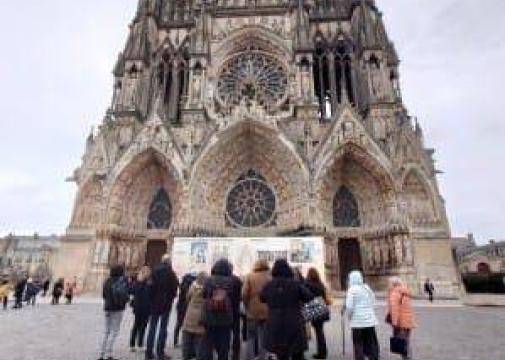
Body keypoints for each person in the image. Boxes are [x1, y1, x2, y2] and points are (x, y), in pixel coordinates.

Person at [260, 259, 314, 360]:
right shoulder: (295, 283)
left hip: (275, 323)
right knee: (297, 353)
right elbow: (309, 297)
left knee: (281, 354)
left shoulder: (269, 285)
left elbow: (262, 298)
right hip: (294, 322)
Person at [201, 259, 240, 360]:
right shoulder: (231, 281)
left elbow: (204, 295)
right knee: (224, 345)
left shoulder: (208, 280)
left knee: (208, 345)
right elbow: (235, 299)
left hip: (209, 317)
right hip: (226, 318)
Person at [146, 254, 179, 360]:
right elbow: (175, 289)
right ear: (169, 262)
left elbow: (149, 287)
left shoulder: (154, 271)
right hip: (166, 304)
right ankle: (160, 352)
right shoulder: (171, 273)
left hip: (155, 304)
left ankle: (149, 353)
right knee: (163, 328)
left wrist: (152, 300)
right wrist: (170, 299)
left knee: (152, 328)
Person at [345, 270, 379, 360]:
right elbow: (374, 301)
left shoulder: (352, 289)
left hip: (357, 322)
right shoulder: (366, 287)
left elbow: (349, 306)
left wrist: (349, 316)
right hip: (369, 321)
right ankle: (374, 357)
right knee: (371, 342)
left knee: (358, 343)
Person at [99, 265, 130, 360]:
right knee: (114, 331)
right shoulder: (121, 282)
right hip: (117, 309)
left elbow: (103, 295)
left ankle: (102, 353)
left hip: (107, 308)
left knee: (107, 331)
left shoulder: (107, 281)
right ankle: (109, 354)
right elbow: (124, 295)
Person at [242, 259, 271, 360]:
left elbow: (244, 293)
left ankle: (249, 357)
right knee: (264, 336)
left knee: (251, 336)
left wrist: (246, 305)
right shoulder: (269, 276)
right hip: (266, 310)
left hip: (252, 310)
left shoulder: (250, 276)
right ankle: (263, 357)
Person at [387, 277, 416, 360]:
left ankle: (406, 357)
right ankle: (408, 357)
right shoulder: (405, 292)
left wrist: (394, 323)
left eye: (389, 283)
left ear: (393, 284)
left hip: (400, 323)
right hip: (408, 321)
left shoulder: (394, 293)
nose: (388, 285)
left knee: (401, 342)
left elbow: (394, 309)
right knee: (406, 341)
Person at [181, 272, 207, 360]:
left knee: (187, 338)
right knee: (199, 341)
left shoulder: (192, 287)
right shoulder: (207, 289)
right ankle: (198, 356)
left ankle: (186, 356)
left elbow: (187, 298)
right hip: (201, 316)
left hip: (190, 315)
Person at [305, 268, 329, 359]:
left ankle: (321, 353)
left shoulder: (308, 284)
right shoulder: (320, 284)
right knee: (320, 331)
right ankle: (323, 351)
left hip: (313, 308)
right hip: (321, 307)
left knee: (318, 331)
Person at [130, 266, 152, 352]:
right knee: (142, 326)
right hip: (145, 308)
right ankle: (139, 344)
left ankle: (132, 344)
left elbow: (131, 291)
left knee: (136, 325)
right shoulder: (149, 284)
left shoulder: (137, 282)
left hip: (138, 307)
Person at [174, 272, 197, 347]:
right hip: (188, 307)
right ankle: (187, 342)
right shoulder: (193, 286)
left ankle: (175, 340)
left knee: (179, 323)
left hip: (180, 306)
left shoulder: (183, 285)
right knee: (187, 325)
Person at [230, 265, 244, 360]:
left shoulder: (212, 279)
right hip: (235, 309)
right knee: (236, 332)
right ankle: (235, 354)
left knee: (223, 332)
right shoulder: (236, 280)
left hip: (219, 310)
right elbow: (242, 294)